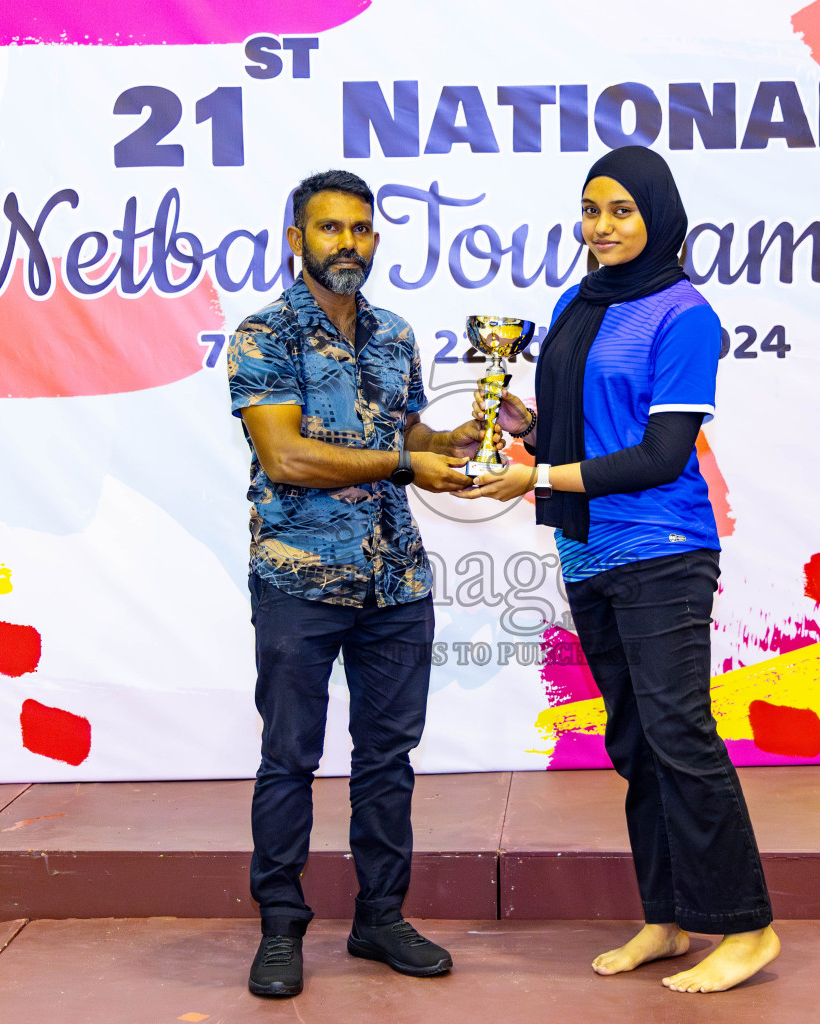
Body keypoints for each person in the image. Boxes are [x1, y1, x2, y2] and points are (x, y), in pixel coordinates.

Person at [463, 146, 781, 994]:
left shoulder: (684, 315)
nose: (601, 227)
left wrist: (539, 476)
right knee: (636, 743)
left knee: (681, 736)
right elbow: (578, 427)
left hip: (662, 552)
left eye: (621, 212)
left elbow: (660, 453)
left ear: (658, 217)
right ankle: (666, 918)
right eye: (590, 209)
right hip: (586, 549)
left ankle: (748, 928)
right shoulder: (575, 302)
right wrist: (523, 423)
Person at [228, 169, 483, 998]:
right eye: (330, 229)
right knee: (288, 758)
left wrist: (457, 437)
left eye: (362, 229)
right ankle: (280, 927)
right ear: (296, 239)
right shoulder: (264, 336)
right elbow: (287, 456)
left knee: (388, 760)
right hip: (300, 582)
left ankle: (380, 918)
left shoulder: (396, 335)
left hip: (395, 582)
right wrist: (410, 462)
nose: (349, 244)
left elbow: (408, 431)